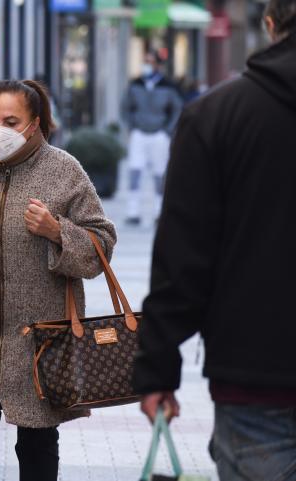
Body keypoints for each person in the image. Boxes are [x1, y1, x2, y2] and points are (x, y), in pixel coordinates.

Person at [132, 1, 296, 479]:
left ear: (270, 25)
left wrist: (157, 367)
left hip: (256, 376)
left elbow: (183, 257)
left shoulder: (217, 115)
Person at [0, 79, 116, 481]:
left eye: (11, 121)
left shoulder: (64, 171)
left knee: (37, 444)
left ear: (34, 123)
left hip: (41, 339)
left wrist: (58, 231)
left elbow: (102, 246)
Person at [120, 51, 183, 226]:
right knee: (134, 171)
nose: (146, 65)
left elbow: (177, 109)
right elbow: (125, 107)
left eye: (150, 62)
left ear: (158, 65)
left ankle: (159, 212)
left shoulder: (168, 86)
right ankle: (133, 212)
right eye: (145, 61)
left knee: (159, 174)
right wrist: (132, 126)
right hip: (139, 133)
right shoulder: (135, 84)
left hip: (159, 135)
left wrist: (167, 130)